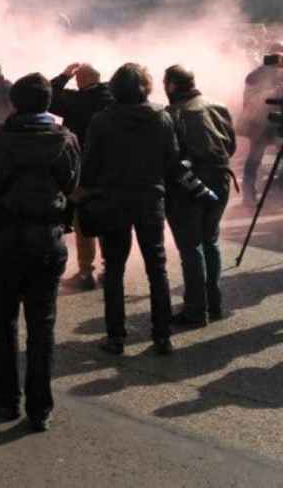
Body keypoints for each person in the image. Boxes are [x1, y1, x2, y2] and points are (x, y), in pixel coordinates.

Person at [0, 73, 80, 432]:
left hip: (3, 239)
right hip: (47, 239)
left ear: (15, 103)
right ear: (49, 103)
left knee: (3, 324)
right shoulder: (65, 140)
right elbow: (71, 184)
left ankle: (6, 400)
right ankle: (40, 407)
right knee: (42, 325)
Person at [81, 63, 179, 356]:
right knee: (157, 268)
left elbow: (89, 168)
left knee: (113, 270)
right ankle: (162, 336)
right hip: (150, 199)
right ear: (145, 87)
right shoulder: (162, 118)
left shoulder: (101, 121)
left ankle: (116, 337)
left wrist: (87, 192)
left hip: (112, 201)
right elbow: (171, 161)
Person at [163, 65, 236, 326]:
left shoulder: (172, 114)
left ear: (171, 85)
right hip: (221, 180)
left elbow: (171, 157)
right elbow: (231, 145)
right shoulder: (217, 105)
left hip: (188, 186)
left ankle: (196, 310)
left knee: (191, 247)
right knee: (210, 241)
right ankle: (213, 303)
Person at [50, 63, 115, 290]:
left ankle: (86, 272)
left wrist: (64, 75)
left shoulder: (77, 102)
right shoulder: (113, 97)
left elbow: (48, 95)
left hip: (84, 170)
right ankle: (111, 269)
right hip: (110, 171)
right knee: (108, 220)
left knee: (83, 222)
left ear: (80, 80)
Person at [239, 44, 283, 206]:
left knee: (254, 159)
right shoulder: (275, 73)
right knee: (258, 158)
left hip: (259, 122)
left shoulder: (254, 74)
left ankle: (249, 195)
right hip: (271, 123)